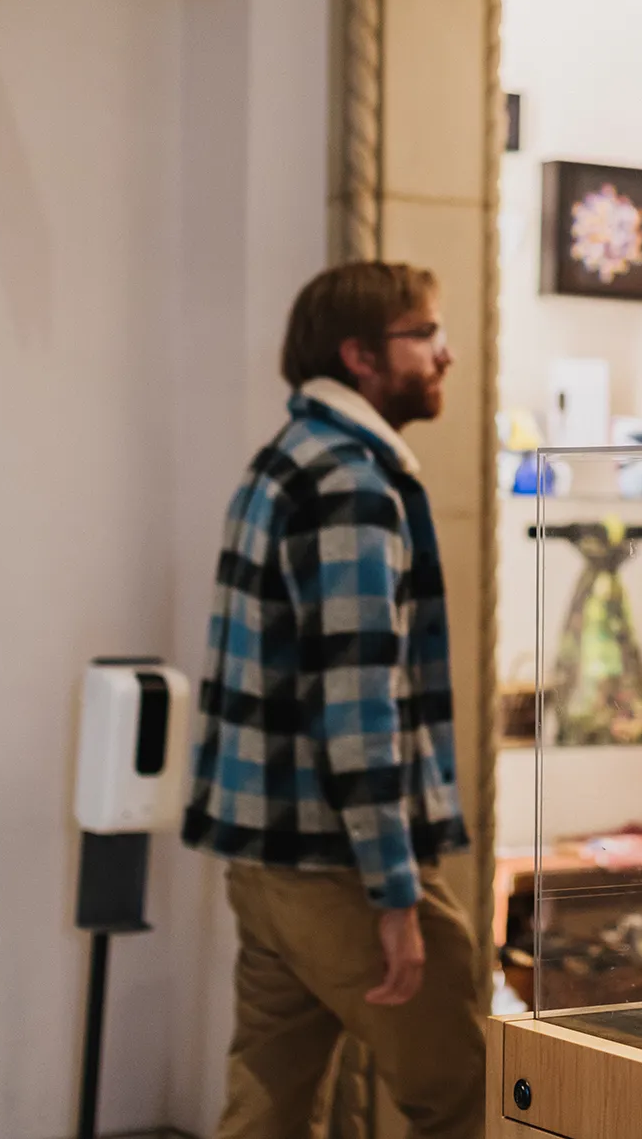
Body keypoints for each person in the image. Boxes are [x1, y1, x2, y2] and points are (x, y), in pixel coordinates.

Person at [183, 261, 485, 1139]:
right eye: (424, 334)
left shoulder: (284, 459)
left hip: (266, 859)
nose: (446, 353)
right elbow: (357, 709)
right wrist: (395, 893)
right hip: (340, 868)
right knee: (467, 1092)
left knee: (268, 1103)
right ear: (359, 355)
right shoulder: (351, 482)